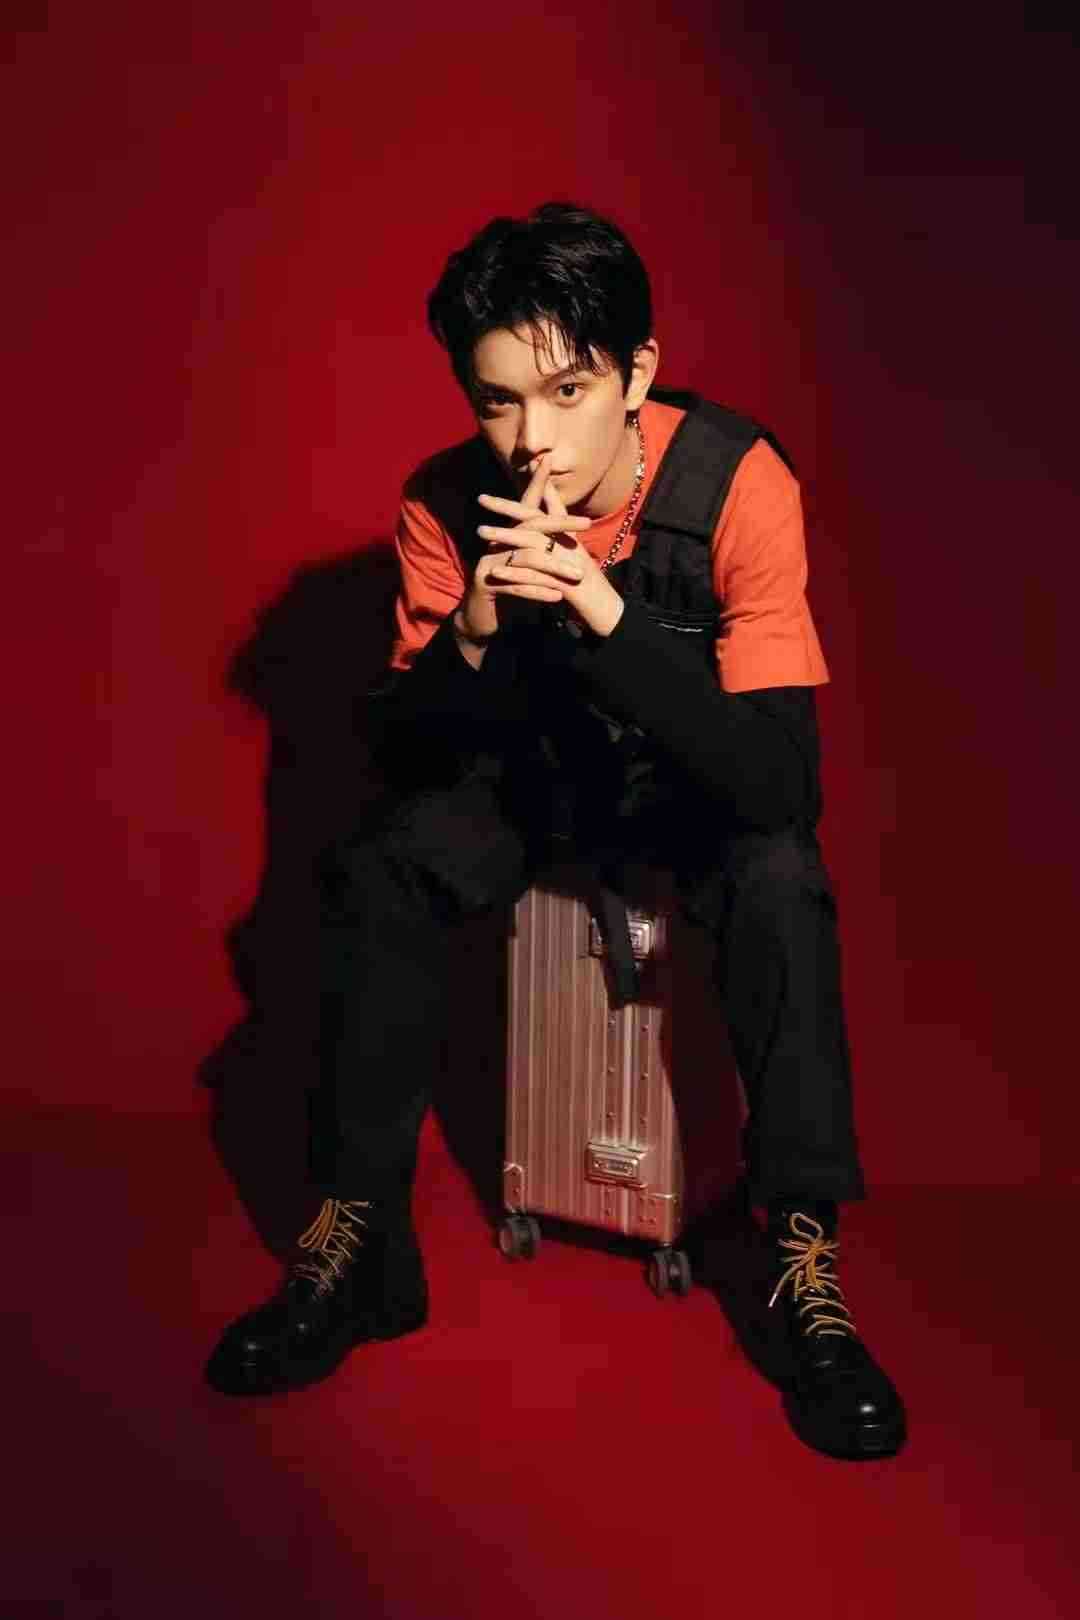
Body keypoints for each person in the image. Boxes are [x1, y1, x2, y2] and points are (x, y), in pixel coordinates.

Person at [205, 201, 907, 1460]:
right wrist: (474, 631)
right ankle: (358, 1240)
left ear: (636, 374)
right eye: (498, 401)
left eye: (568, 390)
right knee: (381, 865)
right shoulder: (442, 504)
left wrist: (599, 605)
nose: (533, 438)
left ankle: (804, 1260)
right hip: (536, 784)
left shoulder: (740, 484)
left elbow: (779, 782)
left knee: (782, 879)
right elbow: (404, 763)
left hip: (692, 794)